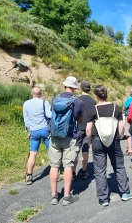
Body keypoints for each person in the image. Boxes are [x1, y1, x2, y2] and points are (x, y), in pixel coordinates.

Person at [86, 85, 132, 206]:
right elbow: (121, 126)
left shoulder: (94, 110)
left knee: (99, 170)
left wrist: (90, 142)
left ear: (96, 96)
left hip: (97, 140)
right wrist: (117, 137)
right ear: (107, 94)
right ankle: (125, 192)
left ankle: (103, 199)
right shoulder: (116, 108)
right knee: (119, 166)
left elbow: (88, 129)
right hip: (114, 141)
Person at [49, 76, 84, 206]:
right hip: (70, 136)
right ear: (74, 87)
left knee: (54, 166)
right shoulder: (78, 102)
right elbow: (80, 121)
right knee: (68, 166)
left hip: (54, 136)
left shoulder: (55, 99)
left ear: (64, 86)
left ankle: (54, 196)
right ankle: (66, 197)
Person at [23, 86, 51, 185]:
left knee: (33, 153)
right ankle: (57, 171)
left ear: (32, 94)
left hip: (34, 131)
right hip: (45, 130)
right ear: (41, 94)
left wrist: (29, 131)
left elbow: (26, 120)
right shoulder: (45, 103)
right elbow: (49, 115)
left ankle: (29, 175)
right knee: (51, 151)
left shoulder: (26, 104)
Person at [73, 81, 96, 180]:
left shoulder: (76, 100)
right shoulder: (93, 101)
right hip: (88, 128)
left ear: (81, 88)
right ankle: (84, 170)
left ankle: (73, 172)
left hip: (78, 128)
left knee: (75, 151)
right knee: (85, 150)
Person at [123, 88, 132, 156]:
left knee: (128, 133)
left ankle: (130, 150)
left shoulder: (130, 99)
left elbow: (124, 107)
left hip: (129, 117)